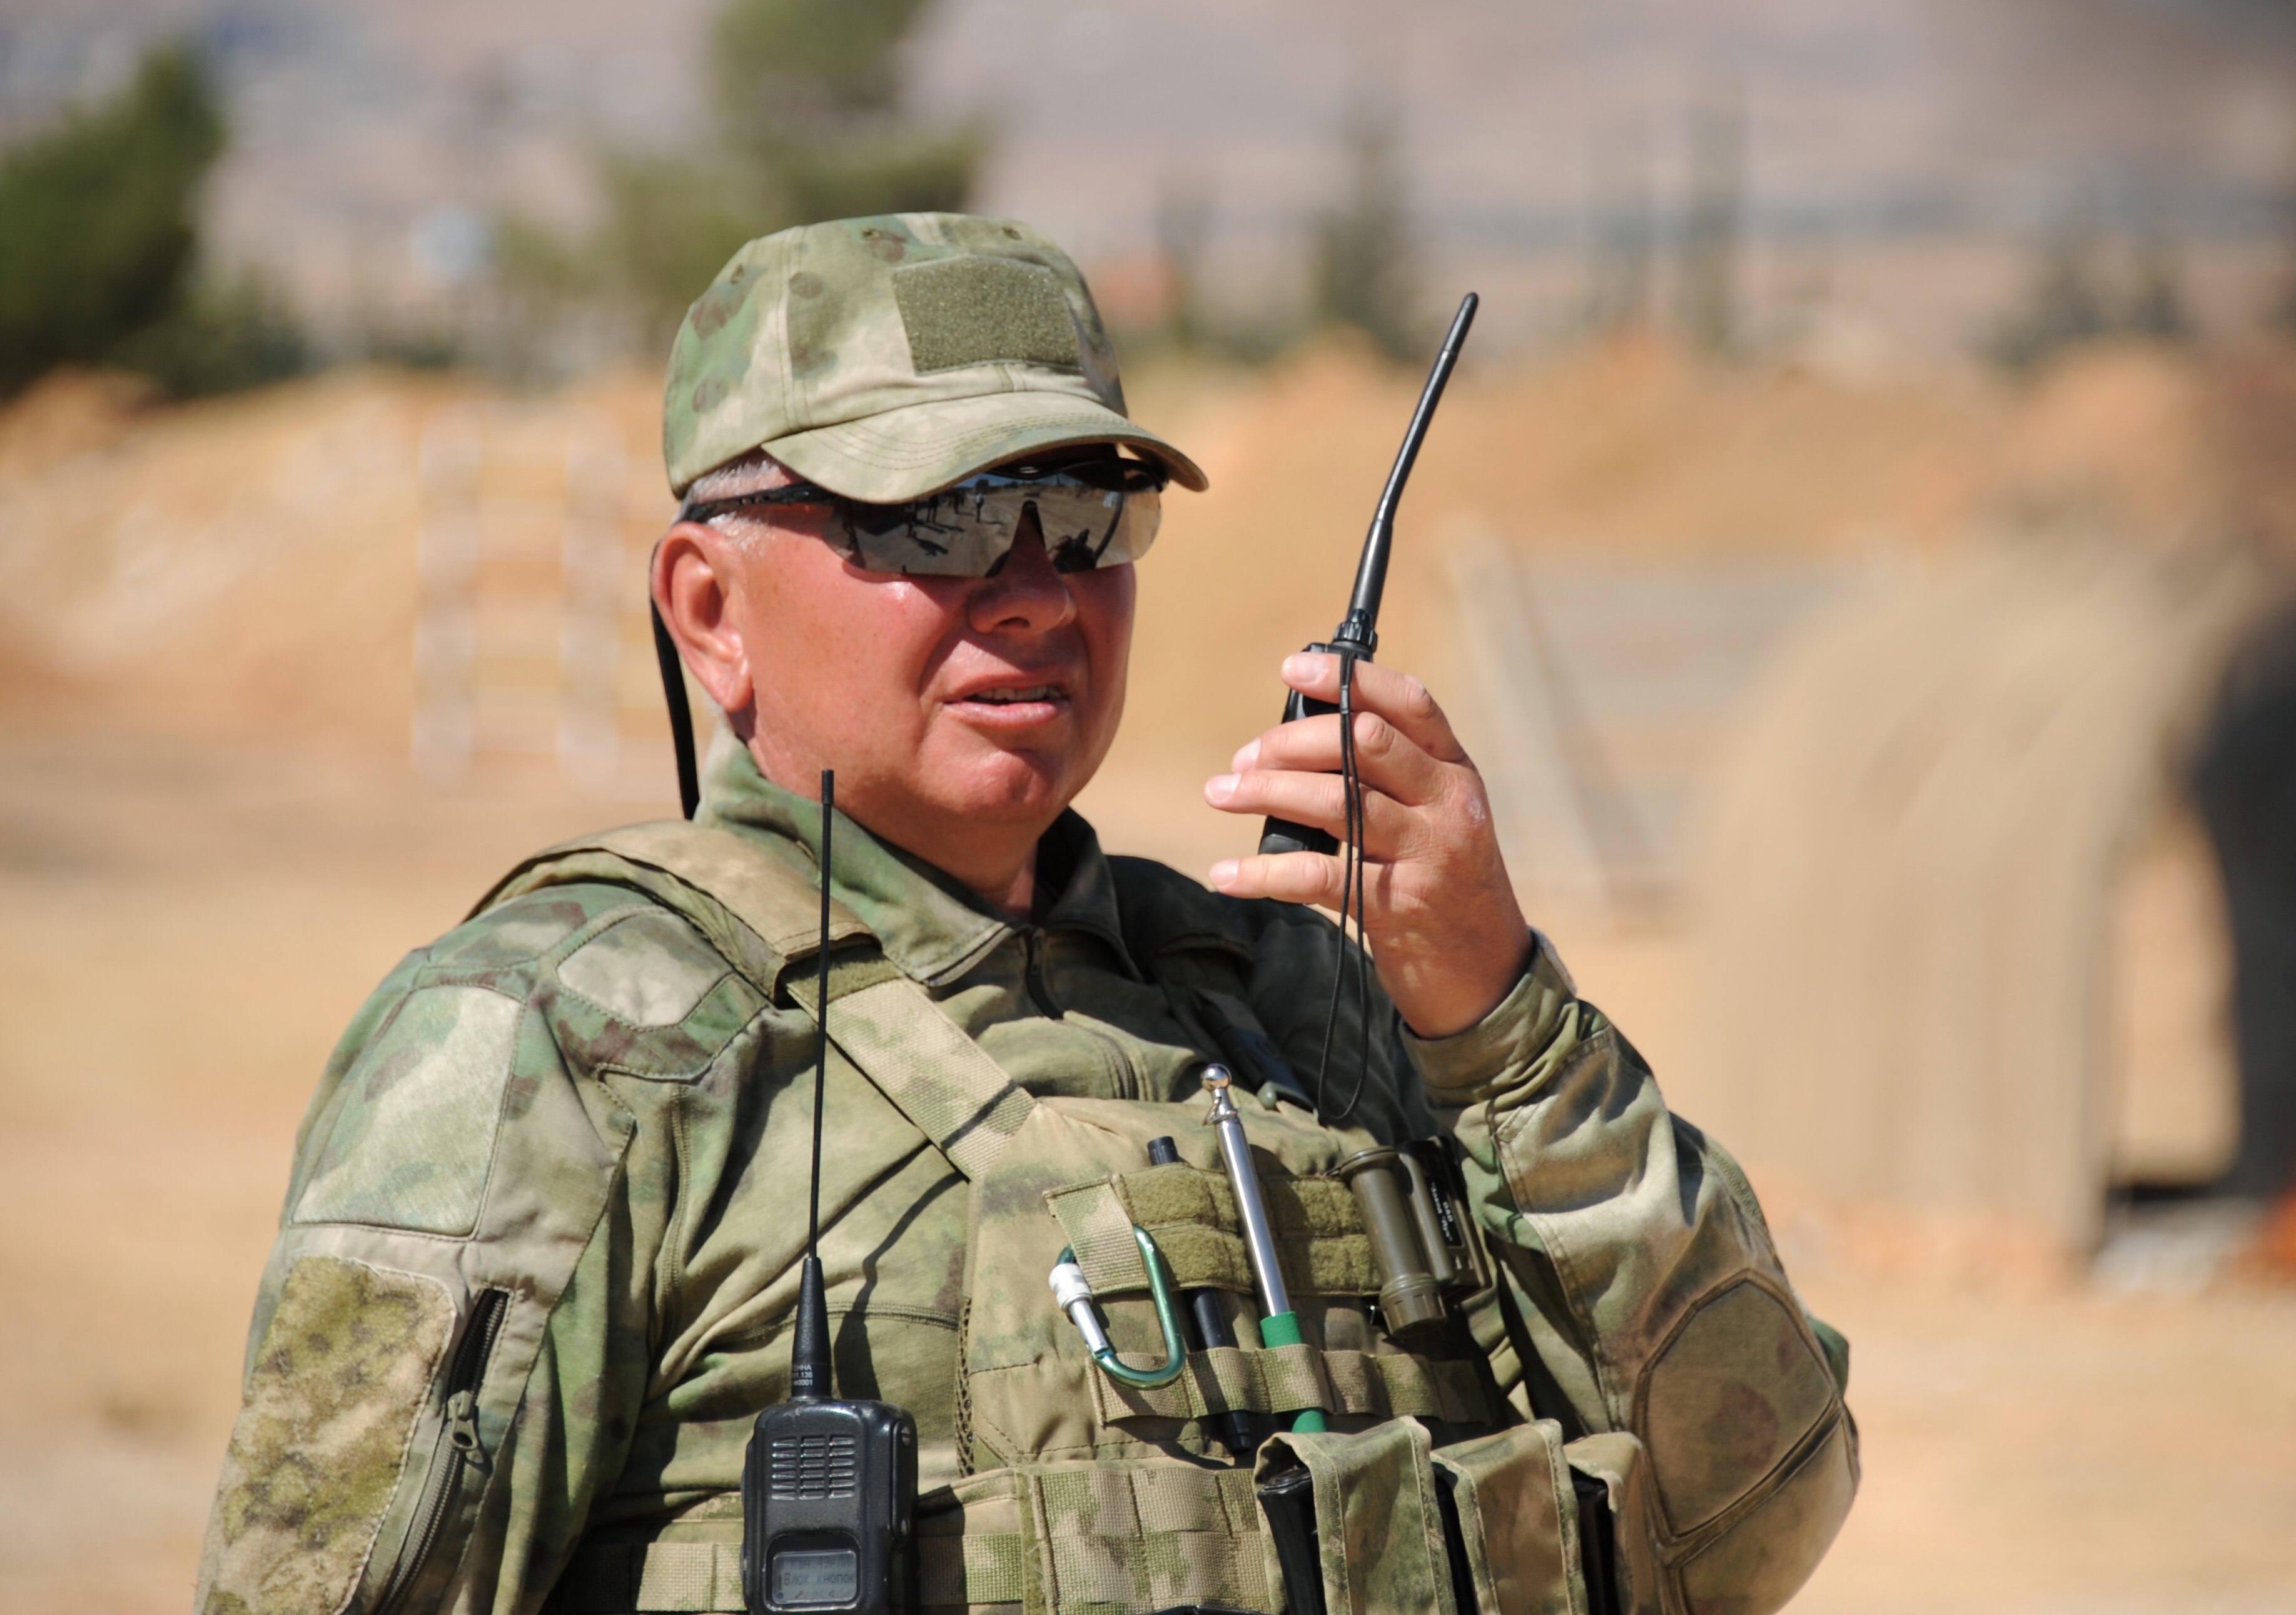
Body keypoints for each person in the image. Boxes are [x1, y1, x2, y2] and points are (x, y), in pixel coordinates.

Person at [194, 215, 1855, 1615]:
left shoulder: (1302, 1010)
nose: (1039, 591)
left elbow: (1750, 1528)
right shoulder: (556, 1050)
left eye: (1086, 513)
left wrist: (1501, 1024)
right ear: (710, 610)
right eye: (937, 517)